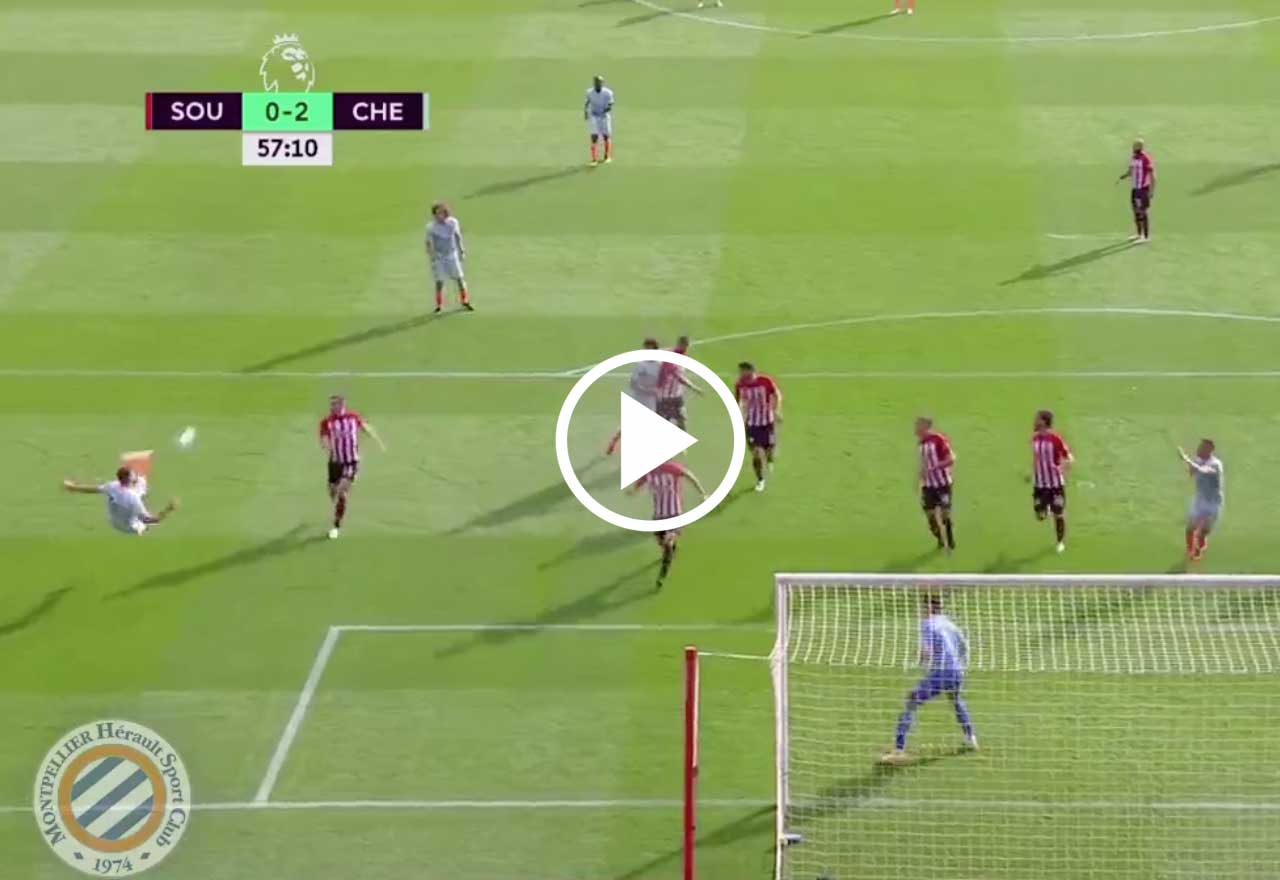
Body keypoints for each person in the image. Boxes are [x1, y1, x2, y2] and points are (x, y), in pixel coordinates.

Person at [881, 594, 977, 765]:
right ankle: (971, 738)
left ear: (930, 608)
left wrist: (920, 661)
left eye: (923, 607)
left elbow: (927, 651)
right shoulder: (949, 623)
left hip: (941, 672)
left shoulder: (928, 624)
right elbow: (964, 646)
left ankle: (899, 750)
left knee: (911, 701)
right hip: (956, 671)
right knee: (956, 700)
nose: (920, 610)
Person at [627, 458, 707, 588]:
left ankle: (662, 575)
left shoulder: (671, 467)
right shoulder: (649, 471)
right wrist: (633, 491)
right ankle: (671, 549)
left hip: (674, 513)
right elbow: (641, 481)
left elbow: (689, 476)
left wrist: (702, 493)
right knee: (661, 542)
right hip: (659, 515)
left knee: (667, 543)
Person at [320, 394, 386, 539]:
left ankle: (336, 527)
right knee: (332, 491)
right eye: (331, 404)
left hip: (351, 462)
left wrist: (378, 440)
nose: (331, 407)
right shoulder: (326, 422)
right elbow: (323, 438)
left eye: (334, 404)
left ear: (342, 405)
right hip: (335, 463)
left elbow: (365, 427)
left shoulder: (352, 417)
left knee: (341, 492)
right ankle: (336, 497)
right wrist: (327, 448)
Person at [63, 465, 177, 535]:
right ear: (128, 479)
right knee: (145, 522)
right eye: (133, 475)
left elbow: (93, 489)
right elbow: (153, 520)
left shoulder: (112, 486)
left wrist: (72, 487)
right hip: (130, 528)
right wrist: (169, 509)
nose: (135, 475)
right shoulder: (134, 498)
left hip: (113, 521)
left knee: (140, 486)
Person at [606, 338, 661, 456]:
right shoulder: (640, 365)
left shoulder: (659, 365)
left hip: (651, 400)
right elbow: (633, 384)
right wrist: (647, 390)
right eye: (646, 349)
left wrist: (659, 391)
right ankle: (614, 441)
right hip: (639, 398)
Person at [734, 361, 781, 492]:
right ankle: (760, 480)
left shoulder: (765, 381)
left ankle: (770, 458)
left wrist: (777, 410)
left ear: (750, 371)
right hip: (751, 424)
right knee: (756, 453)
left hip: (767, 422)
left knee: (769, 449)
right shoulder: (740, 384)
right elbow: (737, 401)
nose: (740, 374)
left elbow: (776, 395)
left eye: (742, 371)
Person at [1031, 409, 1073, 553]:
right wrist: (1032, 474)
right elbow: (1036, 459)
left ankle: (1060, 542)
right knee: (1040, 515)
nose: (1035, 421)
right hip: (1040, 484)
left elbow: (1069, 457)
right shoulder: (1035, 438)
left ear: (1044, 421)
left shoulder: (1055, 439)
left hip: (1055, 484)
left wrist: (1063, 467)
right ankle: (1046, 508)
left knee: (1059, 513)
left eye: (1037, 418)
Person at [915, 417, 956, 552]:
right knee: (930, 517)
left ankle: (950, 542)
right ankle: (940, 540)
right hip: (928, 487)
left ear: (926, 426)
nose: (915, 428)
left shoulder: (938, 440)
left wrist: (936, 467)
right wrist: (919, 479)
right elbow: (924, 464)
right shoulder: (921, 444)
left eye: (918, 425)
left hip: (943, 485)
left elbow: (951, 459)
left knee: (945, 514)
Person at [1179, 439, 1224, 562]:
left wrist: (1186, 459)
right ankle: (1190, 550)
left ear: (1209, 450)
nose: (1198, 449)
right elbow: (1193, 473)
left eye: (1202, 447)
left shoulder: (1216, 464)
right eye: (1199, 446)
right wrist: (1188, 464)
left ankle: (1199, 549)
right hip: (1199, 500)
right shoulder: (1197, 460)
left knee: (1203, 531)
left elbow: (1204, 471)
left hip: (1213, 503)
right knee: (1190, 528)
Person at [425, 201, 472, 313]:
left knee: (459, 278)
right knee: (439, 281)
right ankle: (439, 305)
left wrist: (461, 250)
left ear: (446, 213)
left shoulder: (453, 222)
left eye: (441, 213)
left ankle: (465, 300)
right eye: (436, 213)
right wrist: (432, 255)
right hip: (439, 257)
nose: (438, 216)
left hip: (452, 254)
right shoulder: (431, 227)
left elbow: (457, 236)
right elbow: (428, 242)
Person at [656, 335, 702, 430]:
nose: (686, 348)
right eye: (685, 345)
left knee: (682, 421)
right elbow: (680, 378)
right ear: (680, 344)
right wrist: (695, 388)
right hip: (666, 397)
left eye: (687, 346)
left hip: (677, 397)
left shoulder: (682, 356)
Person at [1117, 137, 1155, 243]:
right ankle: (1139, 234)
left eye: (1135, 145)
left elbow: (1152, 176)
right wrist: (1124, 176)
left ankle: (1145, 236)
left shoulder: (1146, 159)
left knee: (1143, 211)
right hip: (1135, 189)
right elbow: (1131, 171)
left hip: (1143, 189)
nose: (1133, 147)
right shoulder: (1133, 158)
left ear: (1140, 147)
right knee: (1136, 211)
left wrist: (1152, 190)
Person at [584, 75, 614, 167]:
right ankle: (594, 159)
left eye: (599, 82)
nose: (597, 84)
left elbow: (611, 103)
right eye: (596, 82)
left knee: (606, 136)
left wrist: (608, 108)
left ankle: (607, 157)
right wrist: (585, 112)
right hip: (594, 116)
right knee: (594, 137)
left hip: (604, 116)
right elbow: (587, 102)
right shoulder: (589, 92)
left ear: (602, 83)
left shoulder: (608, 92)